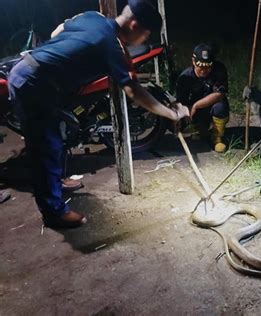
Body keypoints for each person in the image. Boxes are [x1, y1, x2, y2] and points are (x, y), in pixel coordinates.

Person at [7, 0, 189, 229]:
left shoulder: (93, 17)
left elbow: (58, 30)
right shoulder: (110, 45)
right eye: (146, 35)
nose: (144, 41)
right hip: (33, 83)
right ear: (134, 25)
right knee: (47, 146)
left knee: (62, 133)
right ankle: (53, 213)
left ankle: (56, 182)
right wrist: (171, 115)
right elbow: (134, 90)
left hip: (37, 75)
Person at [175, 44, 230, 153]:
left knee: (221, 106)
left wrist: (196, 105)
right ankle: (200, 129)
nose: (205, 70)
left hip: (210, 106)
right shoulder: (185, 77)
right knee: (177, 120)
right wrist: (184, 112)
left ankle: (217, 138)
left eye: (208, 66)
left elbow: (219, 94)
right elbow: (180, 101)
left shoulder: (219, 70)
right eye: (201, 66)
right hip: (195, 112)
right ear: (193, 62)